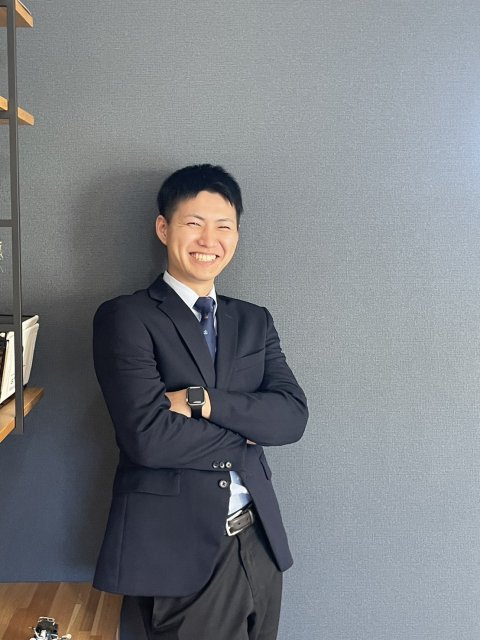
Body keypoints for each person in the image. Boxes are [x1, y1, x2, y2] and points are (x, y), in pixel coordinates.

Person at [92, 164, 308, 640]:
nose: (209, 239)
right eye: (194, 223)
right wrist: (249, 433)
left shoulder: (253, 321)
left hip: (259, 541)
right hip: (177, 553)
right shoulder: (126, 317)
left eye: (223, 226)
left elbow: (292, 417)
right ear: (163, 227)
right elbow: (148, 438)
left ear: (236, 235)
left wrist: (200, 401)